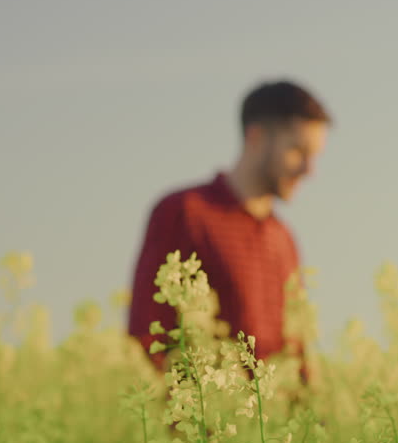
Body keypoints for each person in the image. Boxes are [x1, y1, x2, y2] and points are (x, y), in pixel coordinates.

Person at [127, 79, 331, 385]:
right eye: (298, 151)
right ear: (256, 137)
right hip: (202, 422)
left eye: (315, 156)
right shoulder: (185, 212)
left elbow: (295, 350)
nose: (309, 170)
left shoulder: (283, 239)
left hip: (268, 427)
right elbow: (149, 333)